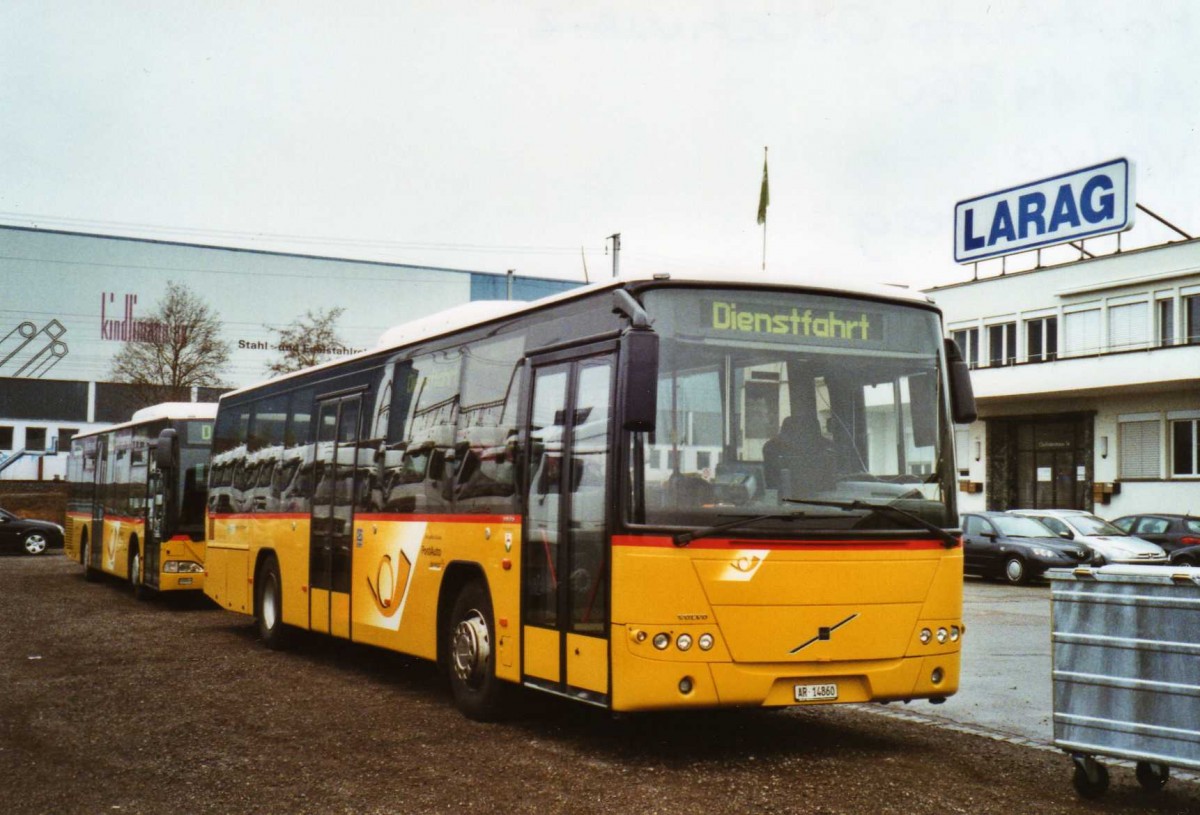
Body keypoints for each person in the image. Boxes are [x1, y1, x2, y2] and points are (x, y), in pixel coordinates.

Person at [762, 412, 834, 497]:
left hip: (778, 499)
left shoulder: (770, 446)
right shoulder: (828, 447)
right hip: (824, 501)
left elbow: (771, 482)